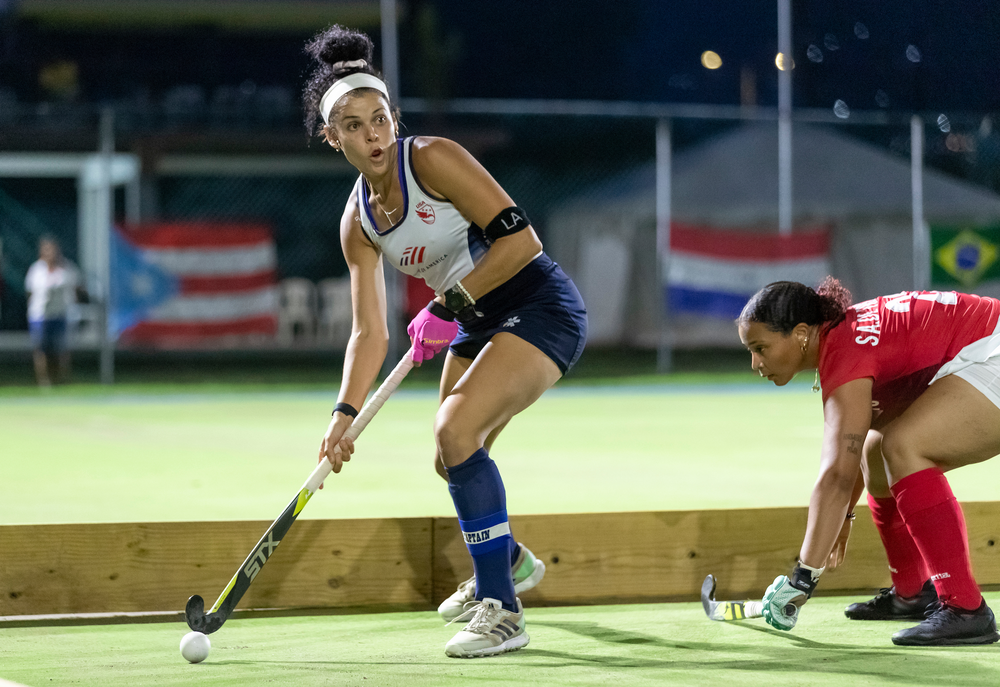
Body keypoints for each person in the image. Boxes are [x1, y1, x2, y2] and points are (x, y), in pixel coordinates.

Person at [302, 26, 587, 658]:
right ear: (332, 137)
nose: (373, 137)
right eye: (354, 127)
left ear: (394, 118)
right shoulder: (357, 223)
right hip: (476, 321)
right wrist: (343, 414)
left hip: (539, 305)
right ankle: (509, 563)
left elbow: (522, 242)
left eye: (380, 120)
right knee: (450, 455)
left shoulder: (431, 158)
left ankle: (503, 612)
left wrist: (448, 302)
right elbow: (368, 332)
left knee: (454, 432)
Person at [737, 277, 1000, 646]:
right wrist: (842, 515)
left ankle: (965, 609)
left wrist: (802, 579)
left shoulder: (844, 352)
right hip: (981, 350)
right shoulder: (843, 338)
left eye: (760, 348)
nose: (755, 363)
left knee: (904, 446)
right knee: (875, 452)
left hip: (991, 353)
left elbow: (835, 476)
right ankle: (911, 593)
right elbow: (853, 450)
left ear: (800, 334)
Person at [24, 235, 82, 386]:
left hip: (61, 314)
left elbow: (77, 288)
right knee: (41, 349)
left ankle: (62, 379)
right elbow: (29, 292)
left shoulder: (67, 268)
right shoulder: (36, 270)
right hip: (40, 316)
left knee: (61, 349)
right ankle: (44, 381)